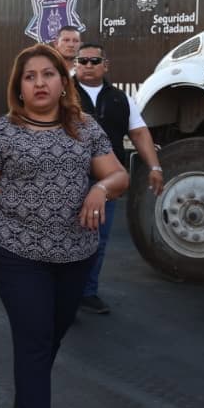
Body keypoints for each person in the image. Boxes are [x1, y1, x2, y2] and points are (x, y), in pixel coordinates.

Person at [0, 43, 128, 408]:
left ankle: (27, 394)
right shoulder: (1, 133)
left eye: (47, 74)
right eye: (29, 77)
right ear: (19, 87)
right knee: (33, 337)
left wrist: (100, 189)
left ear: (61, 79)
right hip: (15, 252)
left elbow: (119, 174)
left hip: (74, 254)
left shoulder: (83, 127)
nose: (39, 83)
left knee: (52, 333)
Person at [73, 43, 165, 314]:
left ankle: (87, 293)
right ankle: (62, 295)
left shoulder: (120, 99)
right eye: (83, 60)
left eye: (94, 61)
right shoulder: (62, 94)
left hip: (107, 182)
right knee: (64, 238)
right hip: (67, 180)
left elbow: (138, 133)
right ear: (76, 64)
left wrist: (155, 167)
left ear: (105, 65)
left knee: (97, 241)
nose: (88, 65)